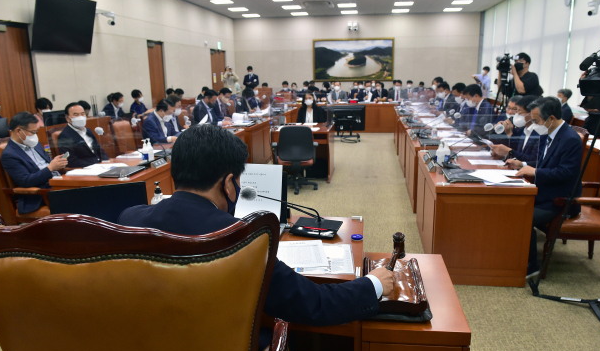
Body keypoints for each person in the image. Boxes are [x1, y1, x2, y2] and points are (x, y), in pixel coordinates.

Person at [117, 125, 394, 330]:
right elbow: (314, 304)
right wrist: (374, 285)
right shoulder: (240, 237)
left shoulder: (128, 220)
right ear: (228, 184)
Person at [505, 97, 583, 278]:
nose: (535, 124)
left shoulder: (570, 139)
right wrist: (521, 163)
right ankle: (511, 255)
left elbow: (566, 173)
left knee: (522, 216)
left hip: (559, 199)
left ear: (552, 118)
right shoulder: (546, 133)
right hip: (541, 192)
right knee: (509, 206)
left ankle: (531, 265)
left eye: (537, 121)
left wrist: (536, 172)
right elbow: (541, 162)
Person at [0, 112, 68, 214]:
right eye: (33, 132)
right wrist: (50, 168)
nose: (35, 136)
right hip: (41, 194)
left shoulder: (34, 144)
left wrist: (57, 163)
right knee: (78, 199)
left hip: (57, 183)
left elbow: (47, 163)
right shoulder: (9, 154)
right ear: (19, 131)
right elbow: (26, 181)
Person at [489, 95, 540, 162]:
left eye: (520, 113)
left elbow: (533, 161)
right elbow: (519, 155)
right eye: (517, 112)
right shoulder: (526, 130)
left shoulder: (538, 133)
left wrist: (509, 152)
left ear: (532, 114)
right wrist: (504, 155)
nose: (516, 116)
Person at [57, 103, 109, 168]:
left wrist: (106, 161)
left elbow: (99, 150)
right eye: (76, 115)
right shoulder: (65, 136)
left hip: (100, 166)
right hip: (85, 169)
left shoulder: (88, 131)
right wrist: (94, 165)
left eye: (82, 114)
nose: (80, 117)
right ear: (68, 118)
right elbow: (71, 161)